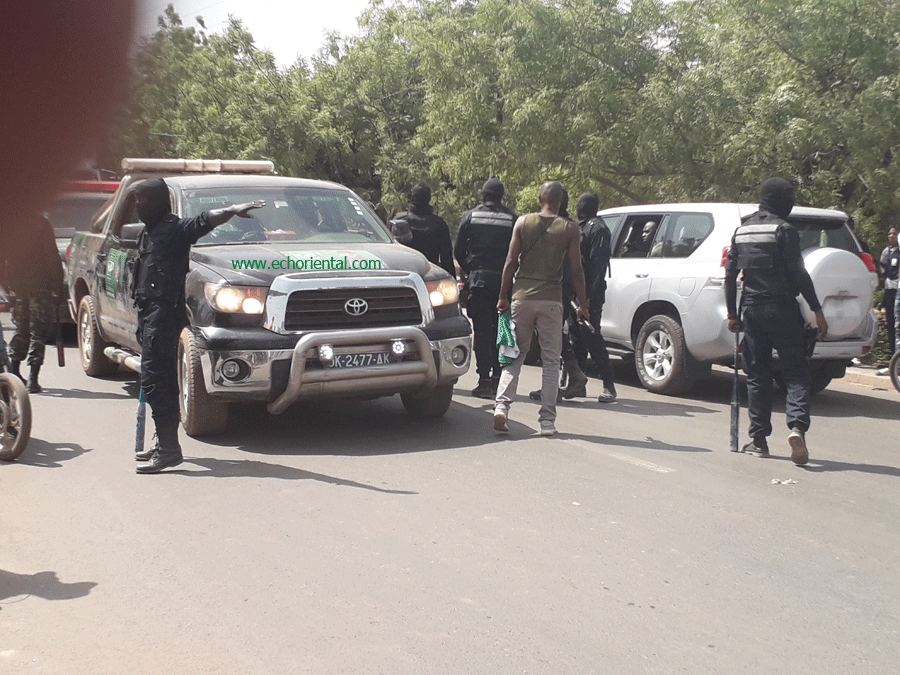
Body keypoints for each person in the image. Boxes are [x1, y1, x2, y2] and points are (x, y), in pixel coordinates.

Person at [131, 178, 264, 473]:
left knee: (157, 382)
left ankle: (168, 450)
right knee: (159, 381)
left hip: (165, 316)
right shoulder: (147, 233)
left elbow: (204, 220)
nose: (138, 207)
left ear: (157, 201)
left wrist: (231, 209)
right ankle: (164, 441)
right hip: (149, 315)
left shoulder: (175, 229)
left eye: (143, 201)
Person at [725, 177, 828, 466]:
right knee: (795, 372)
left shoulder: (742, 230)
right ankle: (796, 428)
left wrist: (733, 315)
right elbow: (799, 274)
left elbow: (730, 275)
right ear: (780, 199)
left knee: (757, 377)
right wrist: (817, 310)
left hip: (753, 312)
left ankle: (759, 441)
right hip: (783, 309)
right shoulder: (785, 230)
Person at [493, 181, 589, 437]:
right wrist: (583, 303)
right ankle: (547, 421)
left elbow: (511, 261)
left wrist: (503, 296)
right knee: (550, 361)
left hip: (521, 297)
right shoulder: (570, 229)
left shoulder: (523, 223)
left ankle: (501, 406)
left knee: (514, 355)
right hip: (551, 301)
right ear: (560, 202)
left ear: (540, 198)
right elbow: (577, 270)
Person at [455, 177, 517, 398]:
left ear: (483, 195)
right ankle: (499, 378)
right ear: (501, 196)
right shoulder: (512, 219)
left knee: (481, 332)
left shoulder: (472, 216)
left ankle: (484, 381)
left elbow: (458, 250)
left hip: (479, 281)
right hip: (504, 284)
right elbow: (519, 252)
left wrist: (471, 270)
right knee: (502, 330)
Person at [1, 213, 64, 393]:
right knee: (39, 332)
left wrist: (6, 284)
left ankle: (14, 372)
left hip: (17, 288)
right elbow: (52, 256)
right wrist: (57, 286)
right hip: (40, 287)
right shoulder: (41, 224)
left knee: (21, 329)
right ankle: (32, 378)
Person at [574, 193, 617, 402]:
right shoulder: (580, 227)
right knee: (576, 338)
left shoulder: (598, 229)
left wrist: (588, 298)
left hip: (591, 293)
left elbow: (597, 267)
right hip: (576, 291)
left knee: (592, 337)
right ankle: (577, 383)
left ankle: (609, 385)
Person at [392, 184, 455, 279]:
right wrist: (452, 280)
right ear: (429, 198)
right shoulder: (439, 224)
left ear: (412, 197)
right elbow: (447, 259)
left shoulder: (398, 221)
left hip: (402, 276)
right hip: (430, 277)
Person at [878, 226, 898, 360]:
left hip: (898, 291)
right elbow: (881, 269)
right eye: (889, 233)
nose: (891, 236)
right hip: (890, 291)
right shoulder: (886, 252)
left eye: (894, 233)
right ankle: (893, 357)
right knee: (891, 324)